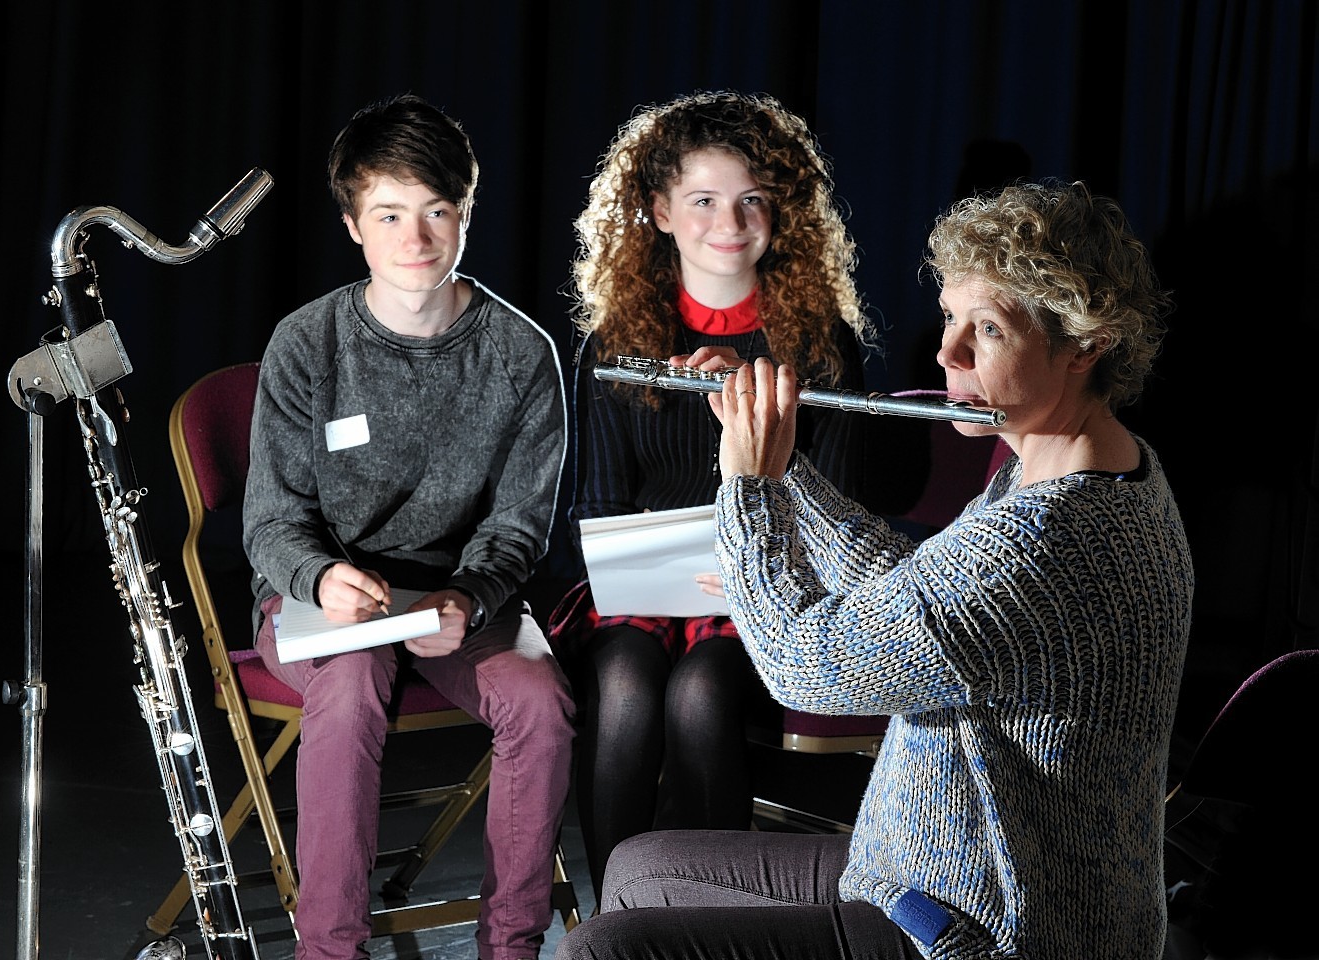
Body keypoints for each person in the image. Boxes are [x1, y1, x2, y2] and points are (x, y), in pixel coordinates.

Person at [553, 178, 1193, 960]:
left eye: (985, 330)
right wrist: (785, 463)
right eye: (952, 316)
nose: (945, 351)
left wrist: (749, 484)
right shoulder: (1068, 467)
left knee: (604, 949)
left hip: (985, 928)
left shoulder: (1054, 535)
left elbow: (802, 668)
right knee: (638, 868)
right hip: (921, 867)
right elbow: (921, 592)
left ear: (1085, 346)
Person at [547, 89, 926, 909]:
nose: (731, 220)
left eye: (753, 199)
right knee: (625, 689)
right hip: (644, 591)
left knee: (702, 691)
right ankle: (618, 917)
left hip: (769, 587)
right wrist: (657, 569)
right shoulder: (618, 341)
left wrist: (755, 417)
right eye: (705, 200)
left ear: (779, 211)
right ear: (657, 211)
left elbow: (846, 509)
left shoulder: (819, 343)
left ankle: (714, 915)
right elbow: (601, 507)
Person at [242, 93, 575, 960]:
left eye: (437, 211)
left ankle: (511, 946)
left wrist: (468, 594)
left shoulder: (520, 353)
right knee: (350, 693)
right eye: (390, 214)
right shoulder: (306, 343)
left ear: (465, 213)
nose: (416, 239)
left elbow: (519, 524)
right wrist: (317, 578)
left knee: (540, 705)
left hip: (460, 597)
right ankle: (331, 950)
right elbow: (272, 518)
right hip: (328, 597)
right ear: (354, 224)